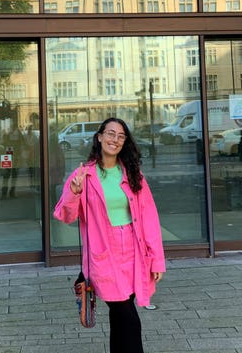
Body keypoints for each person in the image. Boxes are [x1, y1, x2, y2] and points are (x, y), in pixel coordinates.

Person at [53, 117, 165, 353]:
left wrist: (156, 259)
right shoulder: (85, 174)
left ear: (125, 142)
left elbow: (150, 218)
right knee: (128, 317)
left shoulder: (133, 174)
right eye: (111, 133)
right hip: (104, 253)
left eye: (121, 136)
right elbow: (65, 215)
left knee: (120, 316)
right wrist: (74, 192)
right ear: (100, 137)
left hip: (134, 251)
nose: (115, 139)